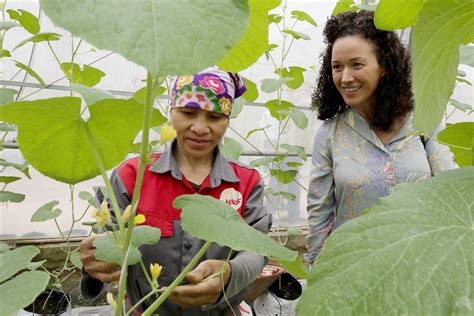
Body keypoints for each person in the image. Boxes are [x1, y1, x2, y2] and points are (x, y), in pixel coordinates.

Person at [80, 66, 272, 315]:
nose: (200, 128)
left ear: (227, 120)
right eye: (188, 113)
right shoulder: (132, 175)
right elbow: (105, 242)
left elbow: (256, 249)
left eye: (215, 117)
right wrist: (94, 263)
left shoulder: (245, 181)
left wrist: (230, 273)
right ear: (172, 111)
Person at [305, 10, 457, 263]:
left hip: (418, 262)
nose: (345, 77)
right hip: (353, 266)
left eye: (357, 64)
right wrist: (318, 273)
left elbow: (449, 190)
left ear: (384, 65)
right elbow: (319, 215)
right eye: (337, 67)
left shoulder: (423, 122)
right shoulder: (330, 134)